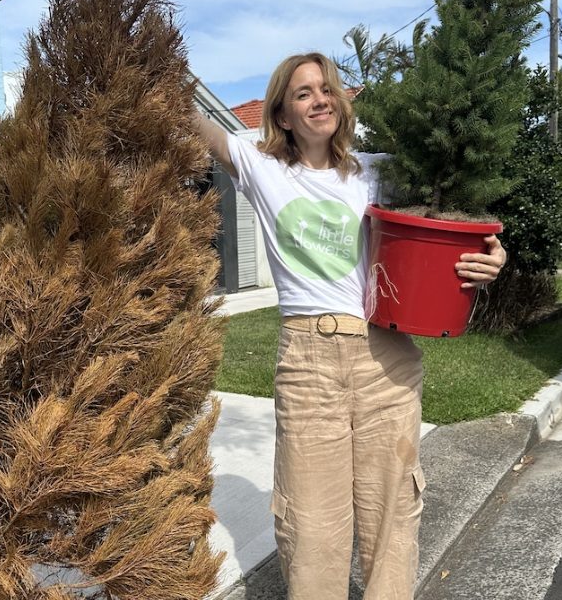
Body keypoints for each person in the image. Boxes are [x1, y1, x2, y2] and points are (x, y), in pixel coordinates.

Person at [195, 52, 505, 600]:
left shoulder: (376, 172)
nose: (320, 99)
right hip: (308, 360)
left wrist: (489, 257)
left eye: (327, 89)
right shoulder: (262, 166)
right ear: (283, 115)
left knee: (391, 512)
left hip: (386, 353)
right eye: (303, 93)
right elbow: (198, 126)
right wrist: (154, 65)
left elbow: (448, 228)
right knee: (312, 523)